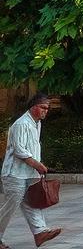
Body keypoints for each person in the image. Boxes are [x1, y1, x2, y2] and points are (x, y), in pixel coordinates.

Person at [0, 92, 61, 248]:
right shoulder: (21, 124)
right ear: (34, 107)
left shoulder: (37, 123)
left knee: (32, 202)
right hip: (14, 174)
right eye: (43, 107)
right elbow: (20, 151)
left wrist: (37, 166)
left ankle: (40, 232)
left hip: (29, 173)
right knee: (10, 206)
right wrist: (38, 165)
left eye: (47, 108)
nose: (46, 111)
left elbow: (32, 148)